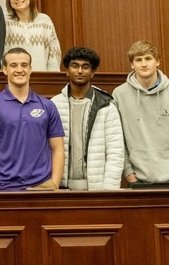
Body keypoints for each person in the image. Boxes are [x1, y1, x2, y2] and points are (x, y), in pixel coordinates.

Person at [0, 48, 64, 191]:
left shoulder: (48, 106)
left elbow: (58, 148)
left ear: (30, 69)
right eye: (13, 65)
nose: (19, 70)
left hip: (42, 187)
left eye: (24, 65)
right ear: (4, 70)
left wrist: (54, 183)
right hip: (5, 188)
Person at [112, 41, 169, 186]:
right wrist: (129, 174)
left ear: (157, 61)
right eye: (138, 60)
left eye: (148, 58)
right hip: (136, 181)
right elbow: (116, 138)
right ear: (132, 65)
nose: (144, 64)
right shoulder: (119, 94)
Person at [51, 47, 124, 190]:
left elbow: (116, 152)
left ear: (92, 73)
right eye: (74, 66)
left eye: (85, 67)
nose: (79, 71)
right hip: (61, 187)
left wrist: (109, 191)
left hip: (97, 189)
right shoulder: (54, 105)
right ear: (67, 71)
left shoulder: (106, 106)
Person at [4, 0, 61, 71]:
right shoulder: (4, 21)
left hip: (41, 77)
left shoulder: (45, 21)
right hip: (14, 78)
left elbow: (54, 52)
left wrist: (52, 76)